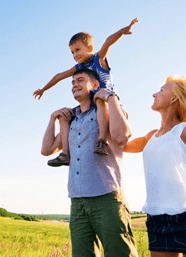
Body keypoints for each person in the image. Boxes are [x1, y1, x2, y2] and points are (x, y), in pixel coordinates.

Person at [41, 68, 138, 257]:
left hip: (107, 197)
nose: (74, 84)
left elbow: (122, 136)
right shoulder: (71, 119)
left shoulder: (108, 110)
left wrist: (111, 97)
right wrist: (52, 119)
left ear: (95, 85)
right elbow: (46, 150)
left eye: (80, 80)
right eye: (72, 82)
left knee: (120, 254)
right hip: (77, 201)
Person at [124, 75, 186, 257]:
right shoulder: (150, 136)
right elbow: (120, 146)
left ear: (174, 98)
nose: (154, 94)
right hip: (156, 220)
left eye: (161, 90)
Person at [34, 18, 139, 167]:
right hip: (90, 103)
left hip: (105, 98)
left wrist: (123, 31)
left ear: (89, 48)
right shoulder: (78, 68)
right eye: (72, 52)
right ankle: (65, 153)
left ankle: (101, 140)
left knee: (98, 99)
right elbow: (59, 76)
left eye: (77, 50)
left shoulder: (98, 58)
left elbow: (108, 42)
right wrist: (44, 89)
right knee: (64, 116)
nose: (75, 55)